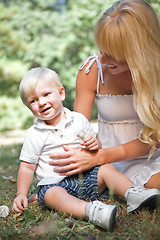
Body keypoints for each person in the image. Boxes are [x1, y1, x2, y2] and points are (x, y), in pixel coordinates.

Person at [48, 0, 160, 206]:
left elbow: (155, 140)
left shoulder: (156, 73)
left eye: (113, 54)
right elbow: (77, 131)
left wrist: (101, 157)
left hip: (149, 155)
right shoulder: (92, 71)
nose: (104, 59)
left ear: (139, 51)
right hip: (107, 161)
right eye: (102, 49)